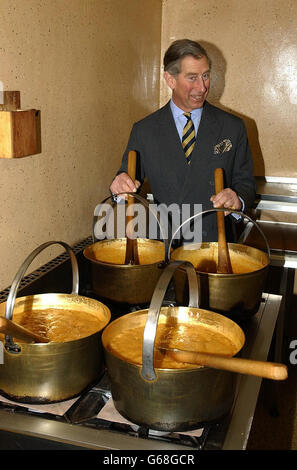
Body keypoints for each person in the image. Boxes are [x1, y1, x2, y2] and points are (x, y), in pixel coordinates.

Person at [110, 39, 256, 243]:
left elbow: (247, 183)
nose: (202, 86)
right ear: (170, 80)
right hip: (165, 248)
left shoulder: (232, 127)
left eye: (205, 76)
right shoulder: (144, 130)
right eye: (192, 78)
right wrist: (118, 186)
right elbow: (126, 177)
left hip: (216, 247)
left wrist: (237, 199)